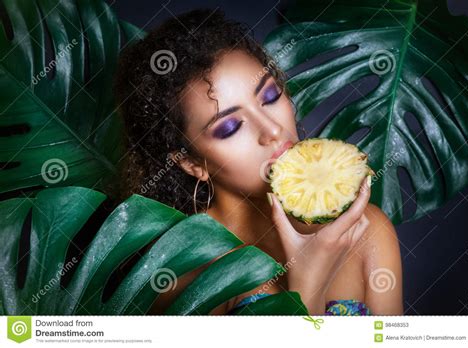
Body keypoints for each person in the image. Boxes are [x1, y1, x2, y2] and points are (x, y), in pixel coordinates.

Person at [114, 8, 403, 315]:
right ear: (190, 163)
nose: (272, 131)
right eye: (230, 127)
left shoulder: (367, 231)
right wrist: (309, 282)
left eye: (269, 96)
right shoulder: (184, 272)